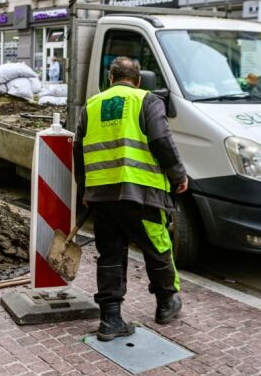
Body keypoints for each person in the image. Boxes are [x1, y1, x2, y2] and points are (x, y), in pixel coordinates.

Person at [73, 56, 188, 342]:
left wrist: (84, 190)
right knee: (158, 248)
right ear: (137, 80)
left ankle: (110, 320)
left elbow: (78, 149)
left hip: (102, 196)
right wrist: (178, 175)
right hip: (142, 194)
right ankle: (165, 305)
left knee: (110, 255)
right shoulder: (147, 100)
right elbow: (161, 141)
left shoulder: (92, 105)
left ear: (110, 79)